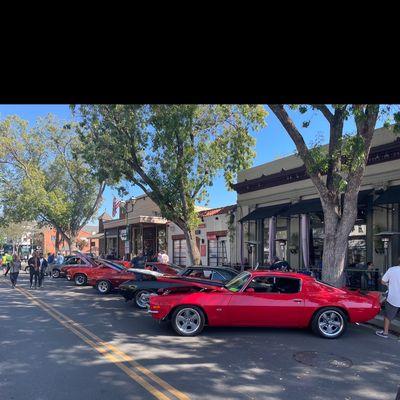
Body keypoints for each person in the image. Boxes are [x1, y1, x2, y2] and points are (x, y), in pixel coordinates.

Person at [376, 257, 400, 338]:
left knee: (387, 316)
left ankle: (385, 333)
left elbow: (383, 281)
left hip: (394, 297)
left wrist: (388, 284)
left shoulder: (392, 270)